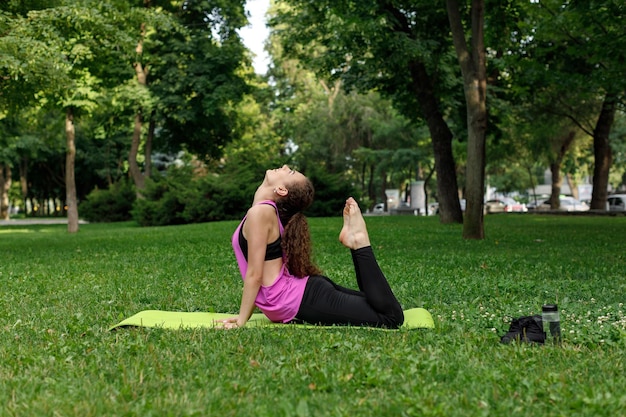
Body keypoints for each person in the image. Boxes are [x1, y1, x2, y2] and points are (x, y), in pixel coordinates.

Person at [219, 165, 404, 329]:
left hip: (300, 298)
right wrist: (244, 315)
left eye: (289, 171)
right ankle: (357, 242)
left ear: (281, 190)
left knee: (391, 317)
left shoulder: (261, 212)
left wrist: (242, 321)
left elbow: (255, 274)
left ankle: (359, 242)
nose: (284, 166)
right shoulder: (263, 211)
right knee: (376, 306)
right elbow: (257, 275)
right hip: (303, 294)